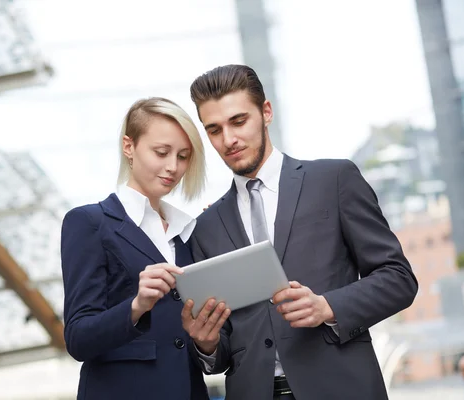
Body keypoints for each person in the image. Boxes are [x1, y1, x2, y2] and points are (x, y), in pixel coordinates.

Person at [179, 64, 419, 400]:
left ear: (266, 112)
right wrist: (205, 342)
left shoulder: (334, 180)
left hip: (342, 388)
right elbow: (222, 351)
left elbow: (399, 279)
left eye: (238, 121)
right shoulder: (205, 227)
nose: (228, 140)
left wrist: (327, 306)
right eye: (214, 129)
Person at [61, 97, 209, 400]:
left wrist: (207, 341)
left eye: (183, 156)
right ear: (129, 146)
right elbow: (77, 338)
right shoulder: (90, 223)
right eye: (162, 152)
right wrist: (136, 306)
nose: (173, 167)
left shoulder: (189, 232)